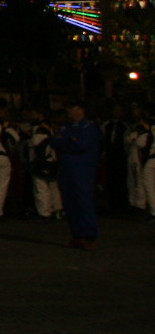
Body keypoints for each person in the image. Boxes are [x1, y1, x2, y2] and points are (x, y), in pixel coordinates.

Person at [49, 103, 101, 249]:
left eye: (72, 108)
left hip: (83, 169)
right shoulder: (66, 127)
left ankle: (88, 236)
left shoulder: (89, 127)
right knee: (70, 202)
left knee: (83, 201)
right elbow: (53, 141)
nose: (69, 112)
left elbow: (81, 145)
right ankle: (77, 235)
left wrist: (64, 142)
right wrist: (69, 141)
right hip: (67, 169)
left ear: (81, 110)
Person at [24, 110, 63, 221]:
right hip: (51, 161)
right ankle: (57, 209)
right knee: (53, 187)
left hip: (41, 162)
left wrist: (28, 141)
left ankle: (44, 213)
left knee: (41, 188)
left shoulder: (41, 129)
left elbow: (35, 143)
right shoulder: (49, 127)